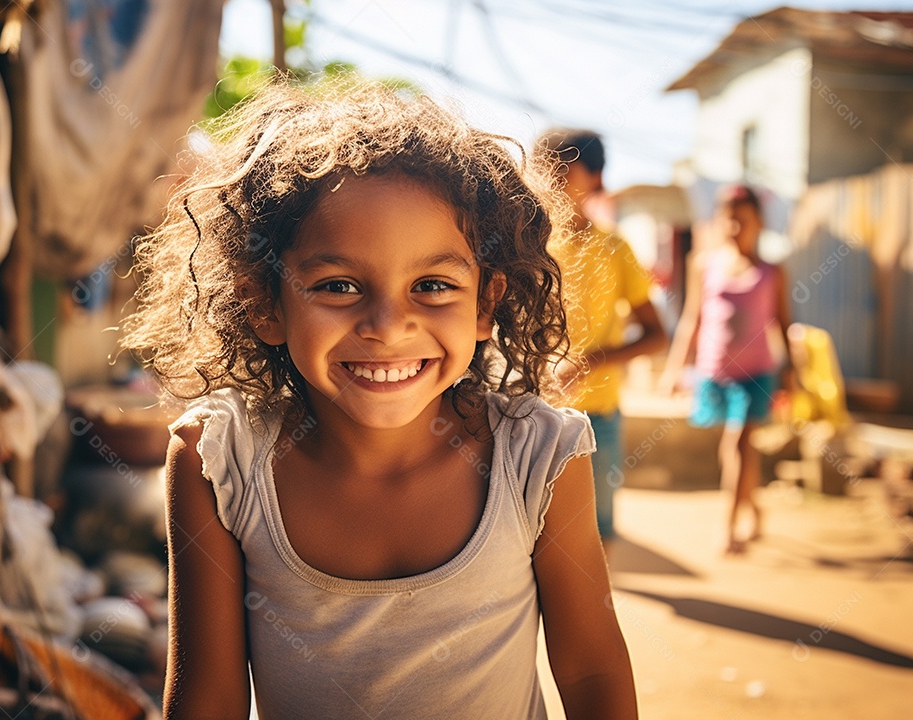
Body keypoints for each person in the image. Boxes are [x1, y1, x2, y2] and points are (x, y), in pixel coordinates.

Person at [122, 80, 637, 719]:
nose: (388, 326)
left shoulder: (540, 458)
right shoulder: (220, 464)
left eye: (432, 284)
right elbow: (208, 699)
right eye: (338, 285)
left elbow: (592, 673)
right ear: (264, 305)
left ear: (486, 303)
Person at [533, 129, 667, 540]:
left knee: (595, 529)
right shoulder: (526, 244)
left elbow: (656, 335)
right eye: (545, 167)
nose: (552, 177)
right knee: (531, 529)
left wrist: (591, 363)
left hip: (597, 416)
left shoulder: (614, 247)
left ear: (595, 176)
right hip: (529, 410)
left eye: (564, 167)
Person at [659, 184, 793, 554]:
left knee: (739, 441)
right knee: (731, 447)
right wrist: (674, 369)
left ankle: (729, 527)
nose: (736, 228)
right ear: (720, 222)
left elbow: (783, 322)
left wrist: (792, 372)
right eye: (729, 220)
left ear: (759, 223)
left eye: (744, 221)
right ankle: (753, 505)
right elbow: (692, 319)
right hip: (715, 371)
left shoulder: (772, 271)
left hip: (757, 374)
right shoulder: (704, 264)